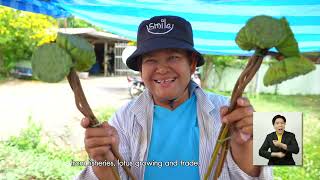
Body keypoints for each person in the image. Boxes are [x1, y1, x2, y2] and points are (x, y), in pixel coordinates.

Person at [77, 15, 272, 179]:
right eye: (151, 60)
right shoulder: (124, 118)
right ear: (141, 69)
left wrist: (245, 143)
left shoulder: (230, 113)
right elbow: (111, 173)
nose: (161, 69)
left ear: (192, 64)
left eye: (173, 57)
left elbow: (265, 171)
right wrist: (101, 159)